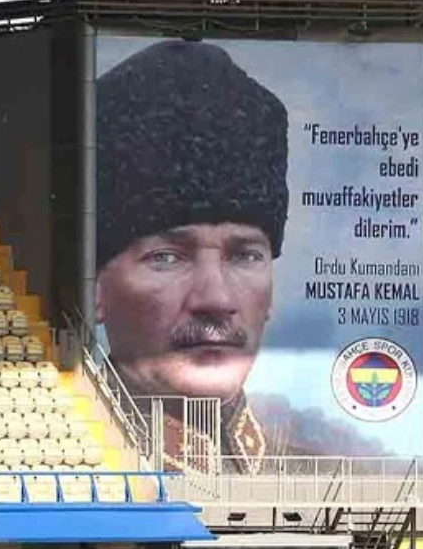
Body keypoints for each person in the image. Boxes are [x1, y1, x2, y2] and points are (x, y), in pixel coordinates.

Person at [95, 39, 288, 475]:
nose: (216, 299)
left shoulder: (323, 474)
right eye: (167, 257)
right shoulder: (52, 469)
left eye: (245, 256)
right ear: (96, 290)